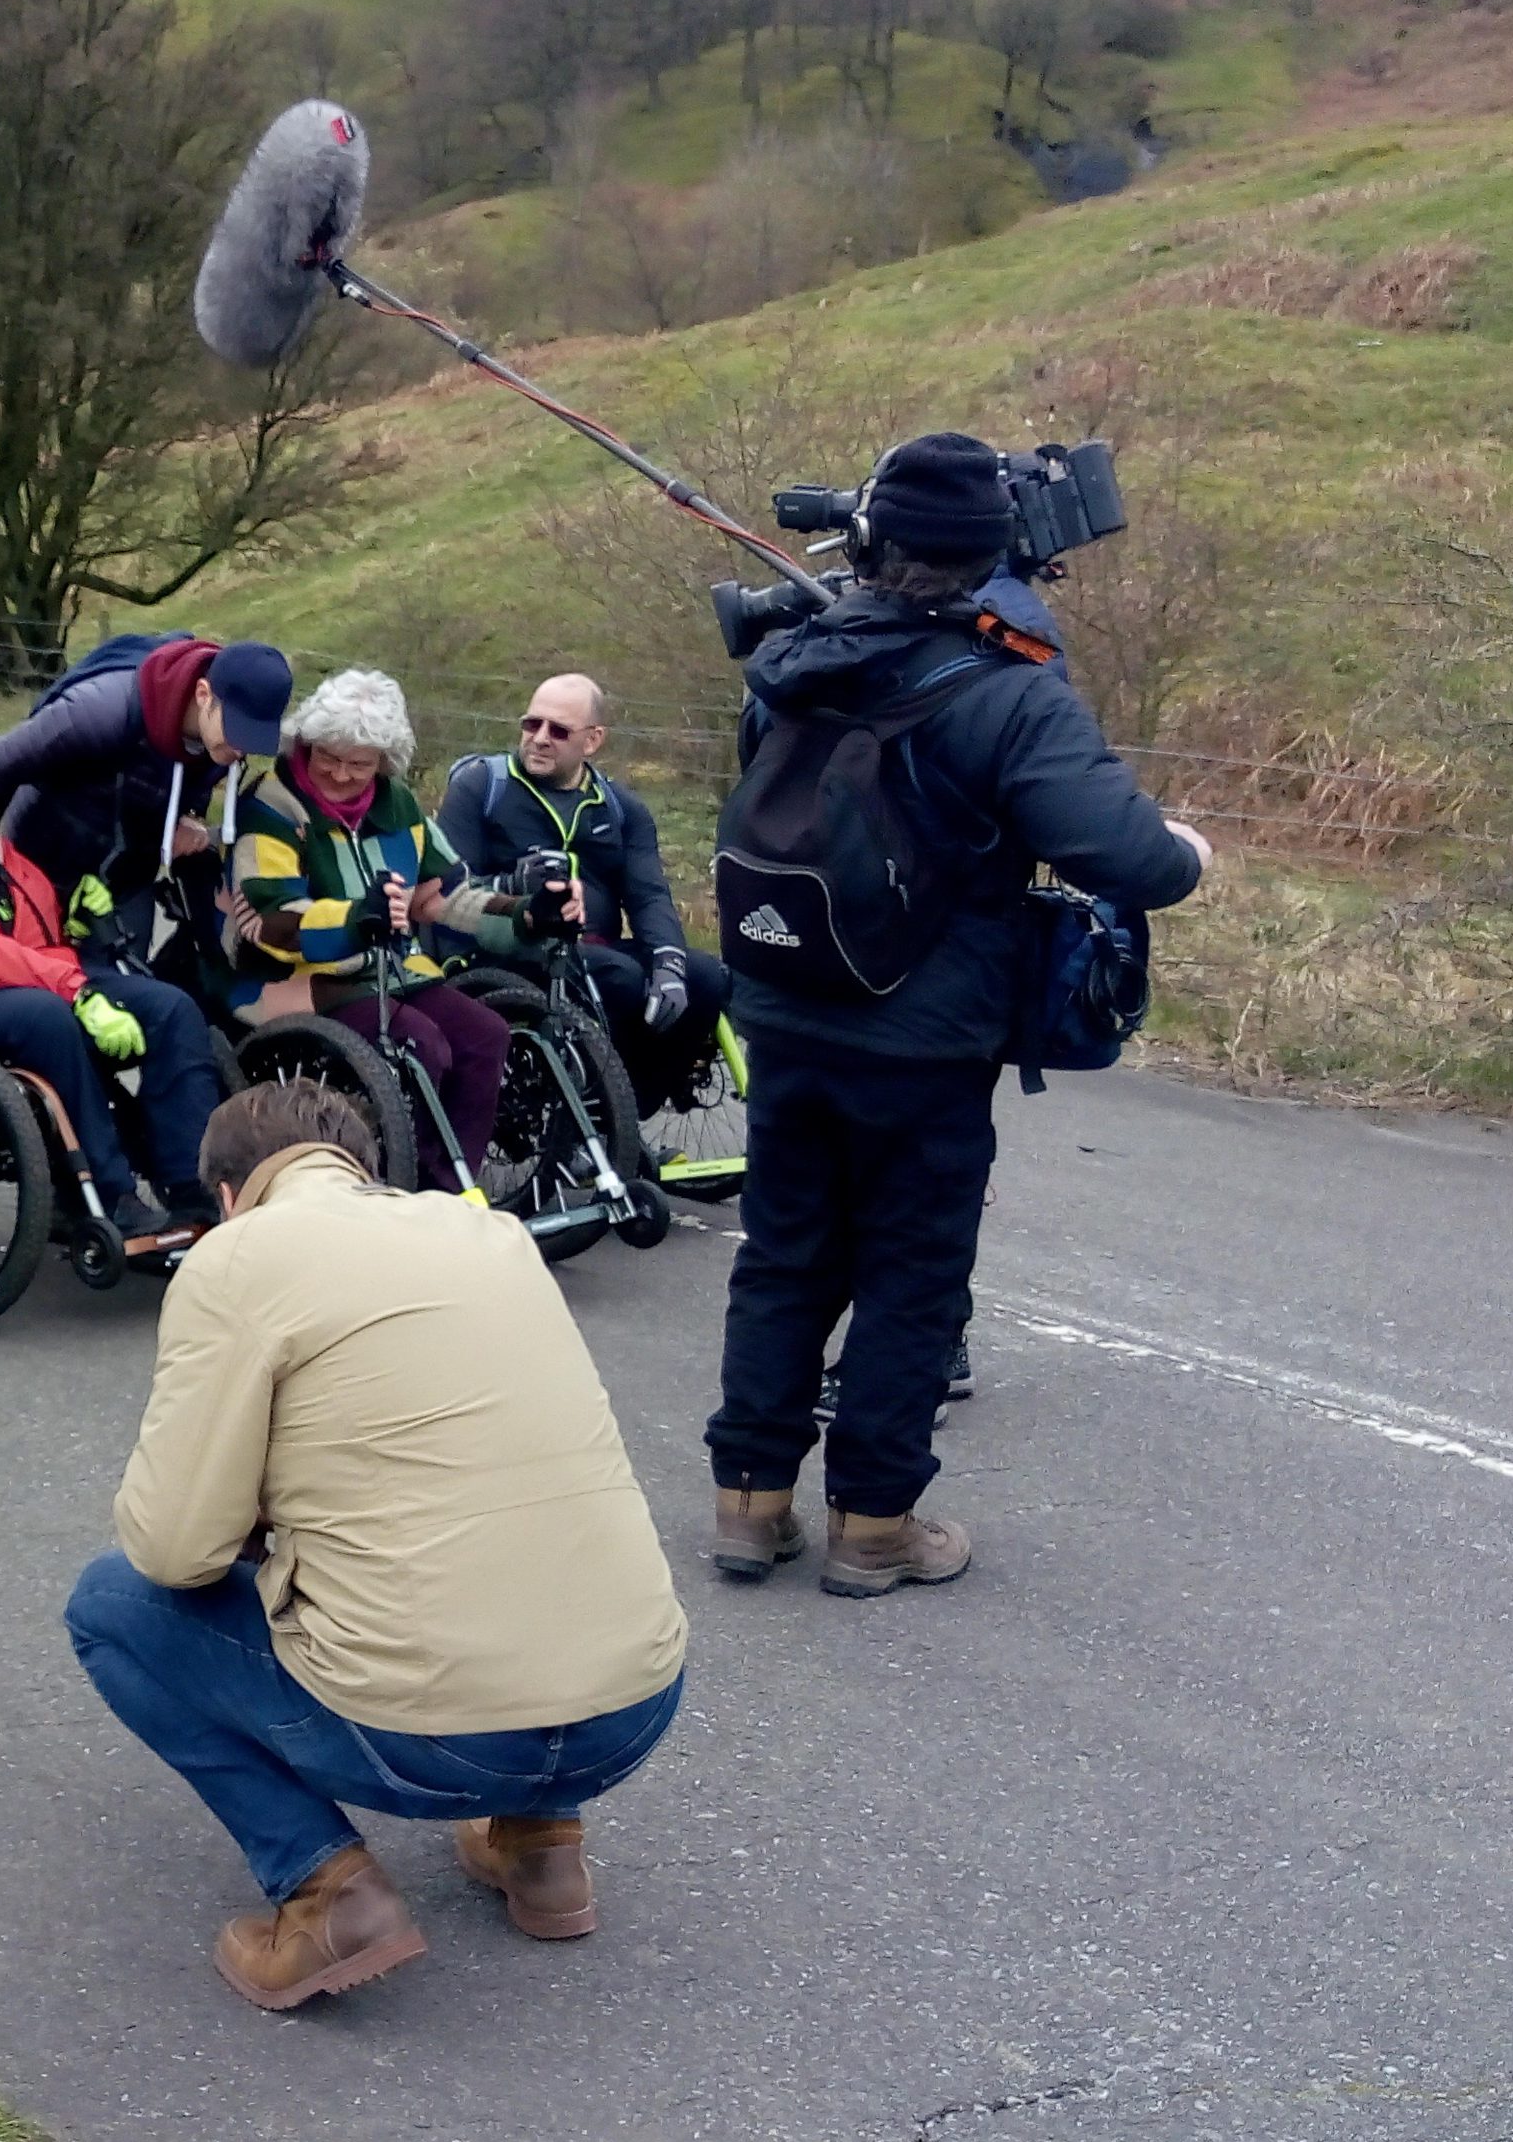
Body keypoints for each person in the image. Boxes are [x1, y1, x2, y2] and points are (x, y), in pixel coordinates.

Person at [707, 433, 1210, 1598]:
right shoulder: (1009, 690)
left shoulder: (792, 659)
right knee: (909, 1271)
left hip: (786, 1008)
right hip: (919, 1040)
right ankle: (874, 1526)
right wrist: (1184, 851)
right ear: (992, 556)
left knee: (784, 1254)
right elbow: (1127, 857)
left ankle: (750, 1506)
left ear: (870, 542)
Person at [65, 1080, 690, 2011]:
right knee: (507, 1520)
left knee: (110, 1609)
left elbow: (173, 1550)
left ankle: (325, 1891)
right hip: (633, 1709)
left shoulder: (237, 1260)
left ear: (230, 1194)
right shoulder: (491, 1237)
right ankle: (541, 1846)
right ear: (362, 1169)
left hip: (433, 1739)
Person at [0, 736, 224, 1237]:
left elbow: (26, 932)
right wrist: (76, 991)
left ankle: (191, 1187)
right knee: (44, 1018)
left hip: (35, 980)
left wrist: (71, 913)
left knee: (171, 1009)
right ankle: (107, 1196)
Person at [225, 668, 514, 1190]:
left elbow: (439, 895)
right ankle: (407, 1184)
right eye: (327, 758)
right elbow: (268, 921)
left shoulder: (396, 803)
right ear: (304, 744)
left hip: (391, 970)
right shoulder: (271, 805)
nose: (339, 775)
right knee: (422, 1043)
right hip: (292, 982)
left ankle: (448, 1186)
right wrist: (359, 919)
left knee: (486, 1035)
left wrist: (525, 913)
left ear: (383, 762)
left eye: (358, 764)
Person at [435, 673, 730, 1117]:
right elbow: (446, 891)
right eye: (531, 724)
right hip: (508, 950)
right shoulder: (481, 787)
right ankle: (600, 1115)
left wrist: (669, 963)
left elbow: (649, 895)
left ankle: (625, 1118)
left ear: (592, 741)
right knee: (619, 977)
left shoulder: (622, 808)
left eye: (558, 730)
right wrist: (514, 885)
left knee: (705, 977)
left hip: (595, 949)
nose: (539, 739)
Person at [0, 633, 294, 970]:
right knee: (40, 982)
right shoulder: (102, 711)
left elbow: (188, 787)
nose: (239, 751)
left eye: (253, 739)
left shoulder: (221, 743)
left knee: (125, 990)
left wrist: (187, 818)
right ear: (203, 695)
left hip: (127, 879)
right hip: (41, 864)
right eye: (236, 731)